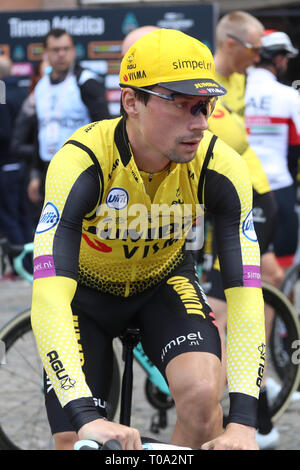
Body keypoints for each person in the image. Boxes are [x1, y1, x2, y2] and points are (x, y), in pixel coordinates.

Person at [31, 28, 265, 450]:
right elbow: (49, 294)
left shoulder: (220, 165)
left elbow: (247, 294)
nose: (200, 121)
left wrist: (245, 422)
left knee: (201, 400)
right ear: (131, 101)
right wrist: (85, 417)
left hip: (163, 282)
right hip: (86, 294)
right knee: (71, 437)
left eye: (206, 106)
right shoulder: (81, 161)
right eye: (183, 104)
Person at [203, 11, 284, 449]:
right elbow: (226, 140)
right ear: (231, 43)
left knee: (269, 281)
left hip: (258, 192)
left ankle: (260, 378)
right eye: (254, 49)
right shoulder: (207, 80)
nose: (259, 58)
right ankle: (220, 412)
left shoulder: (238, 76)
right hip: (237, 200)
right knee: (224, 307)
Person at [28, 28, 109, 205]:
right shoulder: (41, 86)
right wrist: (35, 173)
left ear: (73, 50)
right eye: (56, 50)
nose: (62, 54)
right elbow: (39, 131)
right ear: (46, 53)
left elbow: (105, 127)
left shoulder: (86, 81)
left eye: (66, 48)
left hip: (80, 168)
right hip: (48, 167)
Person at [245, 30, 300, 268]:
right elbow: (296, 147)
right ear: (278, 59)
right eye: (285, 57)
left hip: (238, 189)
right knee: (282, 269)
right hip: (278, 188)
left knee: (242, 266)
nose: (286, 63)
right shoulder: (289, 96)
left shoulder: (234, 95)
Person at [0, 55, 33, 275]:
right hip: (24, 164)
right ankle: (32, 265)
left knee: (9, 216)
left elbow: (4, 133)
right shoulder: (24, 92)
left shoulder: (2, 93)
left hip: (7, 163)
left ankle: (21, 267)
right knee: (23, 216)